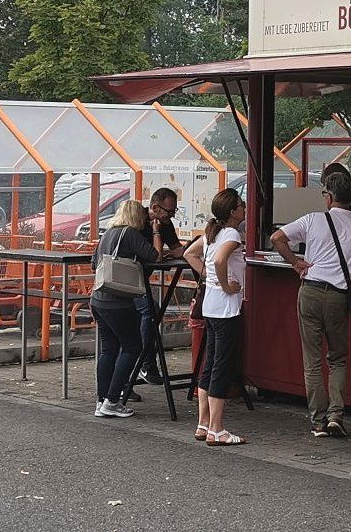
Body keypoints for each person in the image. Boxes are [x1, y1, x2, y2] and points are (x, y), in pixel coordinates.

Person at [271, 171, 351, 438]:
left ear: (328, 197)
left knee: (312, 361)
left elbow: (277, 238)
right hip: (338, 296)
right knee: (338, 359)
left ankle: (318, 421)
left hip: (309, 292)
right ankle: (336, 416)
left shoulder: (313, 220)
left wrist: (296, 263)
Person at [183, 189, 248, 445]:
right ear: (233, 211)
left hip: (210, 307)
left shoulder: (212, 233)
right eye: (241, 206)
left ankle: (203, 424)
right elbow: (221, 260)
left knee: (210, 364)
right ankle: (217, 429)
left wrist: (209, 279)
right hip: (226, 308)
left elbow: (190, 253)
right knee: (223, 365)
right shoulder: (232, 234)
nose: (244, 209)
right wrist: (224, 284)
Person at [90, 200, 159, 418]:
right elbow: (154, 256)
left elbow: (94, 264)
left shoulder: (108, 233)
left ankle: (101, 401)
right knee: (132, 347)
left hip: (98, 298)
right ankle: (113, 400)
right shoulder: (130, 233)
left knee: (108, 350)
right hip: (118, 301)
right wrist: (156, 232)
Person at [131, 187, 184, 392]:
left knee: (149, 312)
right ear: (154, 207)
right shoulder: (138, 222)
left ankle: (129, 381)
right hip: (129, 282)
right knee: (150, 311)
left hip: (140, 280)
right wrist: (158, 244)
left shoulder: (166, 224)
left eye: (174, 212)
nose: (171, 216)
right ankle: (147, 363)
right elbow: (155, 256)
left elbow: (177, 249)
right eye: (168, 212)